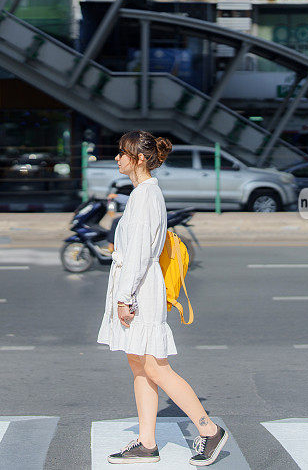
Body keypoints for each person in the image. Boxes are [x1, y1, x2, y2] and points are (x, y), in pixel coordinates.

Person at [97, 130, 228, 466]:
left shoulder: (145, 196)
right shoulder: (142, 192)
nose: (118, 158)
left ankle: (208, 429)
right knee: (139, 364)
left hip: (140, 290)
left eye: (123, 153)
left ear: (139, 159)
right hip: (137, 286)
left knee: (155, 366)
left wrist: (125, 297)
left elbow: (140, 253)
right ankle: (147, 442)